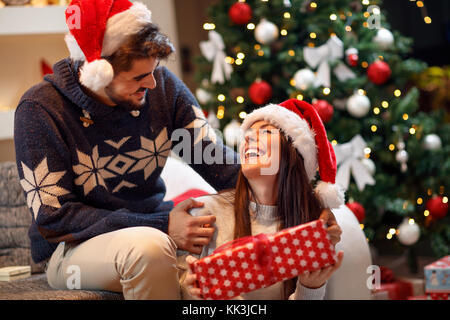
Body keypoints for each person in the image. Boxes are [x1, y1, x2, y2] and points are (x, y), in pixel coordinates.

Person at [13, 0, 239, 299]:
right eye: (137, 78)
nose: (153, 84)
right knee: (149, 248)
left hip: (154, 228)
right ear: (98, 73)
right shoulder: (41, 109)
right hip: (69, 251)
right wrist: (162, 223)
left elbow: (219, 165)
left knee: (232, 218)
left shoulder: (163, 87)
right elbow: (56, 218)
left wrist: (304, 199)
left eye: (154, 71)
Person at [181, 99, 345, 300]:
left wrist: (310, 288)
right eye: (247, 135)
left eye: (266, 132)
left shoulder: (312, 229)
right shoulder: (205, 213)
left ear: (293, 155)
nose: (248, 138)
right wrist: (194, 292)